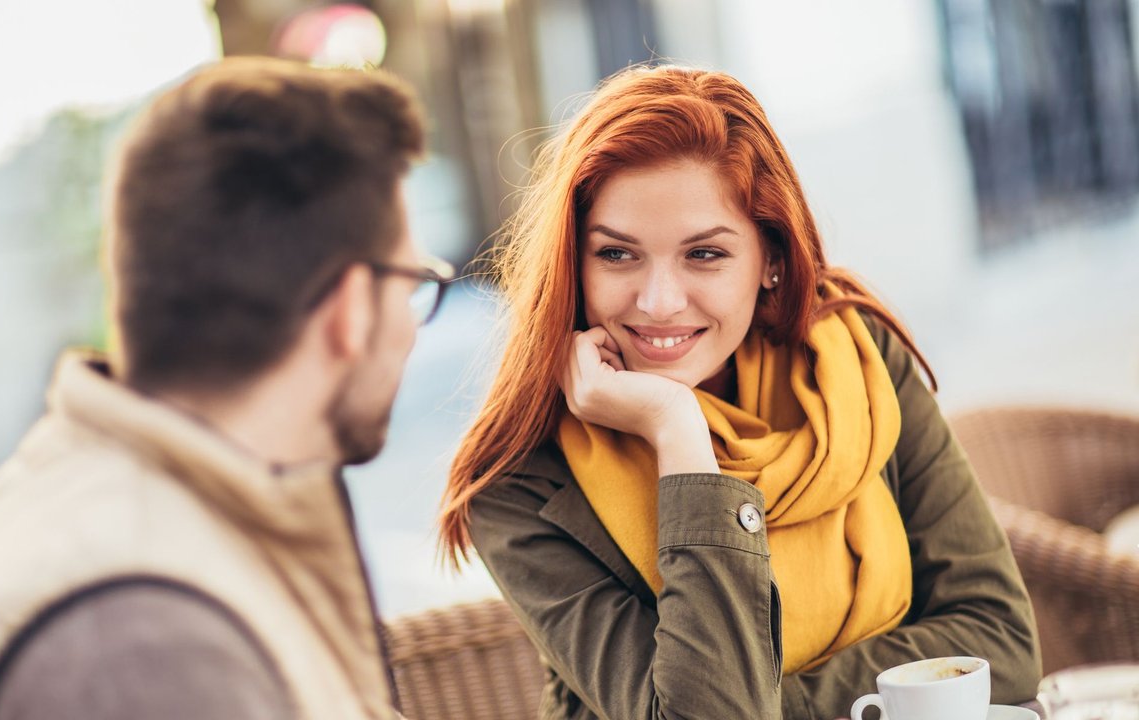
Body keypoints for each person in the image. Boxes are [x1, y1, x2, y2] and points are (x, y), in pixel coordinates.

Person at [438, 65, 1041, 720]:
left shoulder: (854, 363)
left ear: (772, 260)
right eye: (616, 254)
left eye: (704, 255)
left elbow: (1000, 641)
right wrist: (678, 435)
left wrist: (774, 706)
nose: (659, 301)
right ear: (571, 265)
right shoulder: (525, 484)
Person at [0, 57, 451, 720]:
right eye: (413, 286)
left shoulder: (102, 491)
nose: (412, 331)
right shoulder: (145, 651)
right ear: (353, 310)